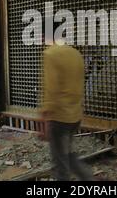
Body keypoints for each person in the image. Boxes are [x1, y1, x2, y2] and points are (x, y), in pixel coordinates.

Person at [39, 24, 94, 181]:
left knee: (61, 163)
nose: (42, 40)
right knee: (67, 155)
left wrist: (44, 119)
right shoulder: (76, 53)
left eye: (43, 36)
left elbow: (51, 89)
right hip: (74, 116)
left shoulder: (50, 54)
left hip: (58, 117)